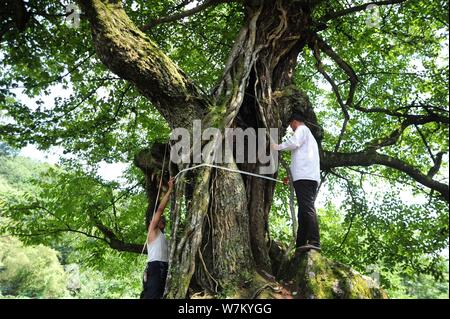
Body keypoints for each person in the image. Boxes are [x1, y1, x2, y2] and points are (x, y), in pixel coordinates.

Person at [272, 113, 321, 252]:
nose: (291, 128)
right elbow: (302, 159)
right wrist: (291, 177)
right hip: (306, 176)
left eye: (290, 125)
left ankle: (314, 241)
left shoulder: (302, 130)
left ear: (294, 122)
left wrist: (277, 147)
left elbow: (294, 143)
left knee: (307, 208)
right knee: (303, 210)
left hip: (305, 177)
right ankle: (301, 243)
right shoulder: (309, 136)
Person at [140, 177, 174, 299]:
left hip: (162, 268)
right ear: (152, 221)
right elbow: (160, 209)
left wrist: (165, 190)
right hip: (155, 267)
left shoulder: (162, 235)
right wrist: (170, 190)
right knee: (152, 296)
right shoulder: (152, 230)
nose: (162, 219)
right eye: (160, 218)